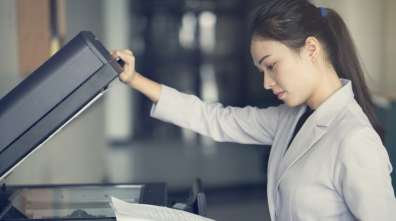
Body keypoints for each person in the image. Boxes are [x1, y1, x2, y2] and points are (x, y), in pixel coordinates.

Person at [112, 0, 396, 220]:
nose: (267, 82)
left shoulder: (355, 140)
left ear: (311, 49)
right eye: (261, 70)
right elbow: (215, 119)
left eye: (271, 65)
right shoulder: (293, 118)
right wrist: (134, 79)